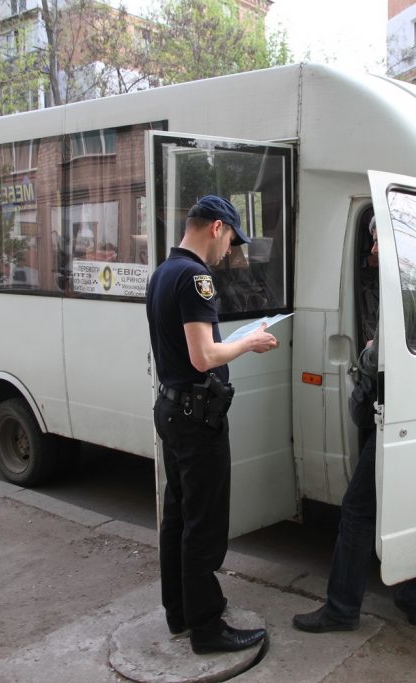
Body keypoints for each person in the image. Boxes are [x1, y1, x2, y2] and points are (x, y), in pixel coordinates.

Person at [146, 195, 280, 655]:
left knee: (179, 518)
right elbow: (203, 356)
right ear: (217, 227)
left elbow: (187, 350)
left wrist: (234, 341)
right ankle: (207, 629)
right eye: (232, 241)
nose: (230, 253)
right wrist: (249, 343)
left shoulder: (164, 272)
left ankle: (180, 612)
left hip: (171, 408)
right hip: (196, 418)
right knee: (204, 525)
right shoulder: (196, 276)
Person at [293, 217, 416, 634]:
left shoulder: (401, 286)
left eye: (375, 240)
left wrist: (369, 352)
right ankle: (415, 599)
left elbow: (386, 356)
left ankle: (341, 609)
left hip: (398, 412)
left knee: (356, 510)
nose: (371, 251)